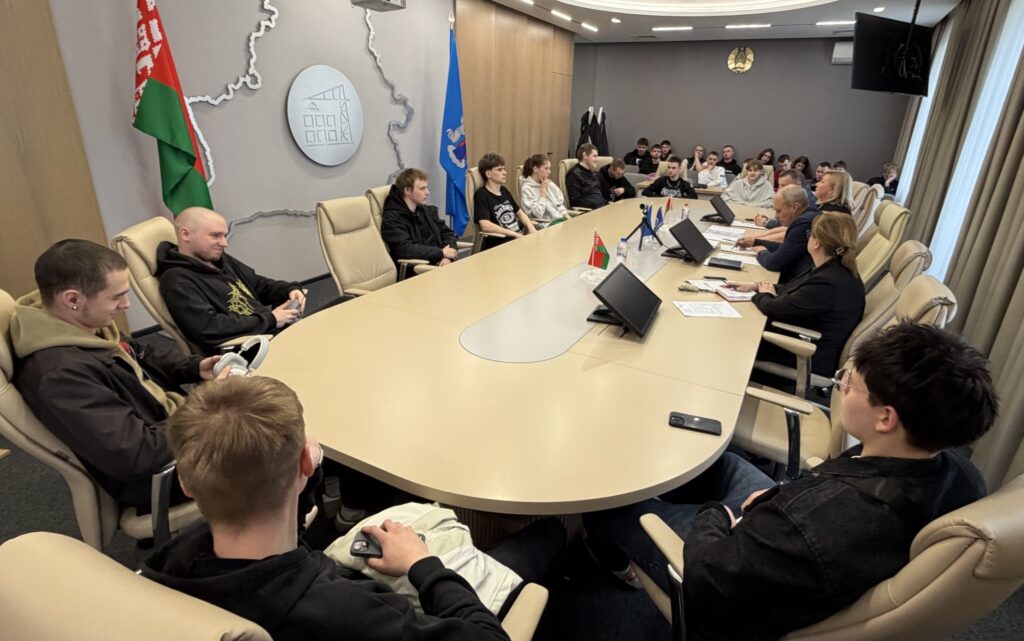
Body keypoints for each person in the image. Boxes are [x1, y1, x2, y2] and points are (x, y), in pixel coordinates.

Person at [583, 319, 995, 641]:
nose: (841, 388)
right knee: (723, 463)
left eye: (850, 384)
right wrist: (779, 500)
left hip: (730, 572)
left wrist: (719, 516)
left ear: (886, 418)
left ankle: (616, 561)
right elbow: (823, 502)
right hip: (789, 534)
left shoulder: (809, 526)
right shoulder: (961, 475)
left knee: (609, 502)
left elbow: (709, 576)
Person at [142, 375, 565, 641]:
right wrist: (423, 566)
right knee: (548, 535)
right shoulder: (345, 612)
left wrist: (302, 479)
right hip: (426, 602)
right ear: (306, 462)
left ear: (187, 484)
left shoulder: (172, 563)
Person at [11, 239, 224, 512]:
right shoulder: (61, 376)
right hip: (167, 473)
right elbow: (140, 454)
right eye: (116, 297)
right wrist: (209, 407)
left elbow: (140, 352)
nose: (126, 304)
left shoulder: (81, 323)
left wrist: (196, 367)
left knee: (265, 410)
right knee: (273, 446)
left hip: (176, 429)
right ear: (72, 299)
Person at [156, 207, 306, 354]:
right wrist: (271, 319)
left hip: (270, 331)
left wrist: (289, 289)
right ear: (186, 234)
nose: (224, 243)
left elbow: (257, 284)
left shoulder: (219, 259)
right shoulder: (177, 281)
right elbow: (209, 328)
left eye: (224, 236)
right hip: (248, 349)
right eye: (215, 236)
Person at [736, 212, 866, 377]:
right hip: (802, 338)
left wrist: (762, 294)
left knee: (736, 335)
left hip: (803, 352)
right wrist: (757, 286)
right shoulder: (833, 267)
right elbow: (796, 289)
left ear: (816, 243)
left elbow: (773, 308)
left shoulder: (828, 282)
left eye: (810, 234)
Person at [380, 168, 460, 271]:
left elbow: (447, 233)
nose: (428, 192)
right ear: (407, 190)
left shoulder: (425, 210)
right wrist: (441, 253)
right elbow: (405, 249)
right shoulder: (392, 218)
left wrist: (447, 257)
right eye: (422, 189)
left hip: (440, 264)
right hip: (417, 270)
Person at [736, 185, 818, 283]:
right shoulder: (811, 213)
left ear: (794, 207)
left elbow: (774, 263)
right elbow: (787, 248)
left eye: (779, 211)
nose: (776, 216)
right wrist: (756, 242)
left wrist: (761, 252)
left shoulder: (804, 223)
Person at [473, 152, 537, 250]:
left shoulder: (503, 190)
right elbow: (485, 225)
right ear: (488, 174)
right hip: (500, 244)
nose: (505, 173)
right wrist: (514, 234)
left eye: (504, 169)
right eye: (500, 170)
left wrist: (531, 228)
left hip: (516, 239)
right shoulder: (481, 195)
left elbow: (519, 213)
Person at [519, 154, 570, 224]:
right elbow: (537, 214)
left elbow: (559, 205)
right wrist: (543, 193)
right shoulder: (527, 189)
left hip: (560, 220)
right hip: (546, 224)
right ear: (535, 169)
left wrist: (568, 218)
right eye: (546, 168)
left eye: (549, 168)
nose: (549, 171)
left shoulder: (548, 183)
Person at [565, 143, 608, 210]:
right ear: (585, 155)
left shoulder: (592, 173)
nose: (597, 160)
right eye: (594, 156)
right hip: (590, 212)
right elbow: (575, 201)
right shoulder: (573, 174)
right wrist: (595, 204)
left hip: (602, 208)